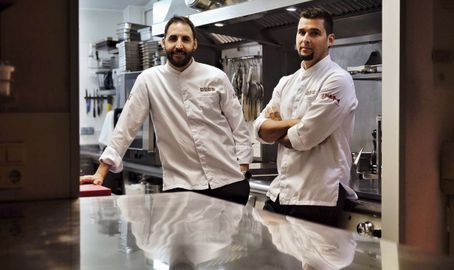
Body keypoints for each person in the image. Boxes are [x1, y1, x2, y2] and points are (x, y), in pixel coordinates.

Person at [80, 16, 253, 205]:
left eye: (185, 39)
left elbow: (238, 126)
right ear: (163, 42)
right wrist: (101, 172)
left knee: (234, 236)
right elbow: (125, 127)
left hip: (228, 182)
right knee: (182, 236)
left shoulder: (216, 77)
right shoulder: (149, 80)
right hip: (182, 186)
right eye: (173, 38)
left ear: (194, 44)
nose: (179, 45)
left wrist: (242, 167)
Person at [253, 8, 358, 226]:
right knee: (267, 259)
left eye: (314, 33)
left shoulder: (338, 80)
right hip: (279, 193)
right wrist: (296, 122)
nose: (306, 39)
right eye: (301, 32)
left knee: (313, 261)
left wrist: (279, 126)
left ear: (330, 40)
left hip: (317, 198)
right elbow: (260, 129)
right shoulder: (286, 82)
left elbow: (303, 138)